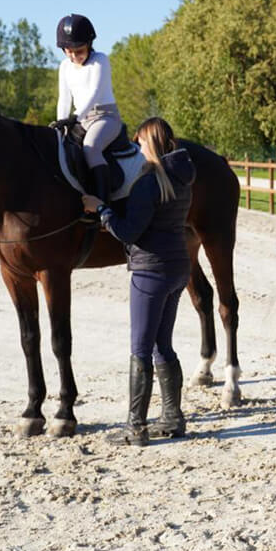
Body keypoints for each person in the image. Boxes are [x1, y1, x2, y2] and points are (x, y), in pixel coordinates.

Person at [82, 117, 196, 446]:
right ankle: (173, 418)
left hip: (150, 272)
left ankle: (136, 428)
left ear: (151, 143)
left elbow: (129, 231)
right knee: (163, 344)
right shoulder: (183, 178)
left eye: (139, 141)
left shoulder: (149, 183)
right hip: (177, 267)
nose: (136, 146)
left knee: (140, 350)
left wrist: (101, 208)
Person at [53, 13, 123, 205]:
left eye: (79, 51)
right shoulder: (65, 67)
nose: (75, 56)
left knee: (90, 148)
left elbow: (94, 92)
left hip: (105, 117)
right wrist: (61, 124)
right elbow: (64, 98)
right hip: (80, 120)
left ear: (89, 44)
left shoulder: (100, 60)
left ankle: (102, 205)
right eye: (69, 51)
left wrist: (75, 117)